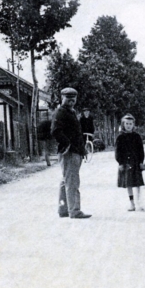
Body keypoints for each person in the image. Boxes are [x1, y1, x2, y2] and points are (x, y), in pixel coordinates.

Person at [51, 88, 91, 219]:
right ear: (61, 97)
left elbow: (77, 133)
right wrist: (67, 144)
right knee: (72, 181)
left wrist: (83, 150)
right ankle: (74, 211)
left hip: (76, 151)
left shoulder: (71, 112)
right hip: (69, 152)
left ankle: (63, 209)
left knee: (66, 180)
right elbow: (55, 131)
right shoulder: (60, 112)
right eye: (68, 97)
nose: (71, 100)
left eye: (73, 97)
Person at [115, 114, 145, 211]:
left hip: (136, 162)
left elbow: (141, 150)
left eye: (130, 124)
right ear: (123, 124)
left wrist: (141, 161)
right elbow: (117, 151)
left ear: (133, 125)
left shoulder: (137, 136)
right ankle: (132, 203)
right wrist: (120, 163)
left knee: (137, 183)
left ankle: (139, 202)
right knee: (129, 183)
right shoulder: (120, 137)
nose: (128, 125)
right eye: (126, 123)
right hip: (126, 162)